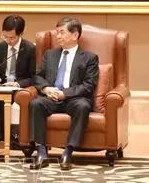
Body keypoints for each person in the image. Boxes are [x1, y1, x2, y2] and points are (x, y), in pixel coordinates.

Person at [29, 17, 99, 171]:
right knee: (36, 103)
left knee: (83, 106)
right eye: (57, 33)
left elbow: (88, 85)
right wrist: (46, 89)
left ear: (75, 35)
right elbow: (37, 76)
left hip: (73, 98)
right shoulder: (50, 54)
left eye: (62, 32)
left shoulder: (89, 58)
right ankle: (41, 152)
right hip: (52, 97)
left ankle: (68, 152)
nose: (58, 36)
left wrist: (64, 94)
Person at [0, 15, 36, 148]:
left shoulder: (29, 49)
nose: (8, 40)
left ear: (21, 34)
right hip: (3, 85)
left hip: (19, 88)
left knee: (2, 100)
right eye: (5, 36)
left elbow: (34, 77)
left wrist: (17, 84)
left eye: (12, 38)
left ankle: (4, 139)